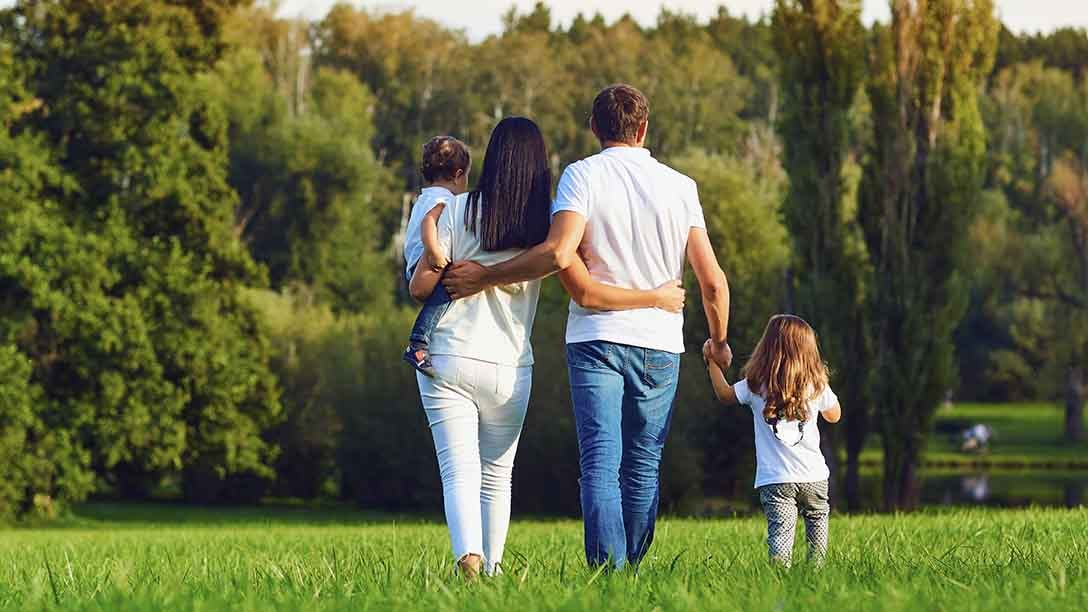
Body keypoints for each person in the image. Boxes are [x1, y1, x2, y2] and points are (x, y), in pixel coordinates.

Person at [441, 84, 732, 569]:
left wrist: (485, 277)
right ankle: (629, 571)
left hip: (596, 339)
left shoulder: (582, 176)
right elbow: (713, 282)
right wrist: (719, 342)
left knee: (600, 461)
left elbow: (560, 254)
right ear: (643, 129)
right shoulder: (682, 187)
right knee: (644, 464)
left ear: (594, 127)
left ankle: (607, 571)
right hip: (660, 342)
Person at [409, 116, 686, 579]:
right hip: (510, 365)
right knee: (497, 476)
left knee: (457, 469)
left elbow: (423, 287)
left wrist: (434, 238)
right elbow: (570, 267)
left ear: (491, 159)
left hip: (448, 354)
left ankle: (469, 560)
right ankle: (494, 571)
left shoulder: (456, 212)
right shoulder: (545, 229)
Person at [703, 315, 842, 567]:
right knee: (817, 519)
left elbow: (724, 394)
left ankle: (779, 576)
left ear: (766, 348)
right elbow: (834, 416)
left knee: (780, 532)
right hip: (814, 476)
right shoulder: (816, 384)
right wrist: (820, 386)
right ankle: (817, 571)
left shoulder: (755, 385)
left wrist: (712, 361)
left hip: (775, 479)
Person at [402, 136, 471, 377]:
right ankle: (418, 342)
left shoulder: (425, 196)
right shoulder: (445, 200)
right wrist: (434, 252)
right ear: (458, 174)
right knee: (450, 289)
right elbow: (428, 224)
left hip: (413, 264)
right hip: (425, 264)